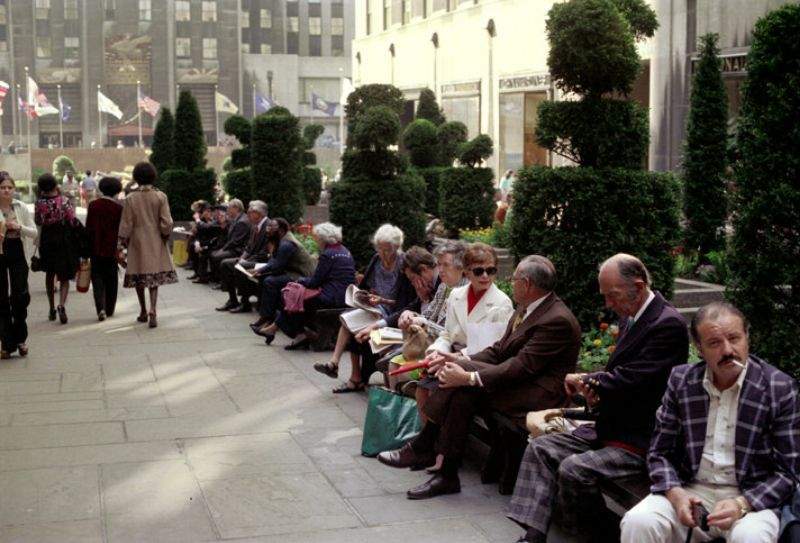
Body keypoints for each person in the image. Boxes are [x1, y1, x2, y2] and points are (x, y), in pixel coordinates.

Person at [508, 253, 690, 543]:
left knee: (574, 470)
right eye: (605, 296)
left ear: (639, 287)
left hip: (640, 439)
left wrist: (585, 380)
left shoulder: (668, 324)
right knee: (541, 447)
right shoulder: (634, 315)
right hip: (611, 425)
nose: (608, 304)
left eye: (612, 295)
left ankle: (597, 533)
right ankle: (534, 533)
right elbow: (619, 376)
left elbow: (636, 379)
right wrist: (594, 392)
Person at [377, 255, 581, 500]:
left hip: (538, 394)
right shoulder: (528, 307)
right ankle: (442, 469)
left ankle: (430, 454)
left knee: (463, 387)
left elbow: (520, 367)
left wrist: (469, 377)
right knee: (457, 385)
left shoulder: (556, 319)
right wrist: (456, 361)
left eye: (514, 279)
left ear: (526, 284)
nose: (510, 282)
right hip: (517, 381)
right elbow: (498, 351)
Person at [620, 301, 800, 543]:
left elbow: (788, 472)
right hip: (689, 489)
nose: (727, 350)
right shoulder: (682, 381)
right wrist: (675, 494)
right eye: (714, 343)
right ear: (699, 349)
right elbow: (659, 453)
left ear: (747, 338)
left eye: (734, 338)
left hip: (749, 497)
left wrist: (742, 504)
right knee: (638, 522)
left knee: (752, 538)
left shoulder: (779, 387)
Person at [311, 224, 413, 393]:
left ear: (396, 247)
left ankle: (354, 378)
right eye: (379, 249)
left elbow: (404, 303)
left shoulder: (403, 264)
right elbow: (365, 285)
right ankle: (335, 363)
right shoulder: (376, 259)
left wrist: (382, 300)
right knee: (347, 317)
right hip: (375, 308)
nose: (382, 253)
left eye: (387, 250)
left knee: (357, 327)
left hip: (391, 312)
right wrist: (363, 296)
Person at [261, 222, 355, 350]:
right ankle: (281, 329)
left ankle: (299, 333)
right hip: (345, 295)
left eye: (317, 238)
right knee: (295, 297)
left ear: (323, 239)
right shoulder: (344, 250)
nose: (316, 242)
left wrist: (300, 280)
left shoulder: (327, 254)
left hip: (331, 297)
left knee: (291, 296)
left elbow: (315, 282)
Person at [118, 162, 178, 328]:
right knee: (153, 277)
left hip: (137, 241)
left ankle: (143, 310)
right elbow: (166, 222)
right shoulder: (160, 196)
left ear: (136, 177)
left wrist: (121, 243)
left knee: (139, 277)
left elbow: (126, 224)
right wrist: (165, 235)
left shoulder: (130, 198)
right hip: (155, 240)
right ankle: (153, 308)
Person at [427, 242, 514, 356]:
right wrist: (437, 351)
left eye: (490, 270)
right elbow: (447, 335)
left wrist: (456, 357)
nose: (485, 276)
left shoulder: (502, 302)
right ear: (467, 272)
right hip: (450, 358)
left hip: (478, 365)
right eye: (478, 271)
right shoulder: (455, 294)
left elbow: (492, 347)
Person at [250, 218, 316, 336]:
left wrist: (263, 271)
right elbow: (274, 261)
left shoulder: (287, 243)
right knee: (266, 279)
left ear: (280, 230)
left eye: (271, 228)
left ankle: (267, 317)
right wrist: (260, 270)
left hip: (301, 275)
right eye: (268, 227)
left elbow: (276, 267)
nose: (268, 230)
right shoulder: (282, 240)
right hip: (292, 271)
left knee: (270, 281)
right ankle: (267, 317)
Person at [35, 173, 84, 324]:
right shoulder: (63, 201)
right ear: (55, 185)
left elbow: (38, 221)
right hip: (63, 240)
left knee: (50, 274)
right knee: (64, 276)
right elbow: (71, 219)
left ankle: (51, 308)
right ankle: (61, 305)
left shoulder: (39, 203)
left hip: (47, 240)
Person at [0, 173, 37, 358]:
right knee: (1, 299)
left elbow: (34, 233)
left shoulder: (20, 207)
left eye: (9, 187)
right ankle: (7, 343)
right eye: (2, 187)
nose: (6, 190)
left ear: (14, 189)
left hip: (17, 253)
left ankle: (20, 339)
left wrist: (18, 227)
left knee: (20, 297)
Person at [215, 200, 270, 312]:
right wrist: (242, 258)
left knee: (240, 267)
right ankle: (232, 300)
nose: (248, 214)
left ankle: (245, 303)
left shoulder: (268, 226)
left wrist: (245, 261)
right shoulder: (256, 226)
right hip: (253, 259)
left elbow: (265, 253)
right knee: (225, 264)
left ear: (258, 214)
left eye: (250, 212)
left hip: (263, 262)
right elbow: (249, 247)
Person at [85, 176, 124, 321]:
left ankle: (100, 307)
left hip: (95, 248)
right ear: (116, 191)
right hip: (111, 248)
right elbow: (121, 229)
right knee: (111, 279)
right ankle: (109, 308)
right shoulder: (119, 208)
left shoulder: (93, 205)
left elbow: (88, 227)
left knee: (97, 279)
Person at [209, 199, 250, 286]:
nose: (227, 210)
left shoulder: (242, 221)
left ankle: (224, 282)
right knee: (213, 253)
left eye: (229, 208)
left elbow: (235, 241)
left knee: (216, 256)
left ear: (236, 208)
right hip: (234, 247)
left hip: (238, 250)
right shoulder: (236, 219)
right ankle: (220, 280)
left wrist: (223, 249)